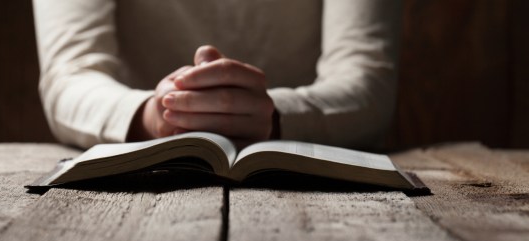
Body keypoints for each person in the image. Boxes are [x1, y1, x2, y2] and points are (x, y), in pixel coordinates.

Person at [32, 0, 402, 150]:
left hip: (311, 178)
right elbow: (70, 75)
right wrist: (155, 115)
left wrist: (275, 115)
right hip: (142, 177)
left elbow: (367, 80)